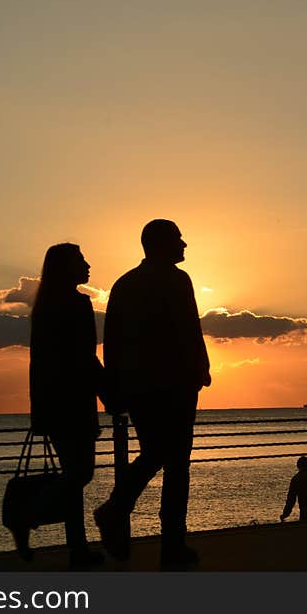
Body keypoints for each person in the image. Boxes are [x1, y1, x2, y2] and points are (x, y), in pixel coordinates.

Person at [94, 219, 211, 566]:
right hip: (175, 384)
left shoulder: (124, 284)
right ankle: (161, 537)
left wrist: (113, 389)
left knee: (157, 454)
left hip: (139, 387)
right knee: (175, 463)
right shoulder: (177, 280)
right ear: (160, 243)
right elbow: (191, 328)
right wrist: (201, 370)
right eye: (178, 238)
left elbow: (111, 342)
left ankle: (155, 533)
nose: (184, 244)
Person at [18, 243, 105, 568]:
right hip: (76, 402)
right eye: (81, 260)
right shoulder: (77, 304)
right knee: (80, 474)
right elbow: (86, 358)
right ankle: (30, 515)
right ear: (66, 267)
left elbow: (37, 364)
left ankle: (78, 550)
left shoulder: (44, 308)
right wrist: (109, 394)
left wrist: (39, 410)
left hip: (53, 403)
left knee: (74, 476)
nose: (88, 265)